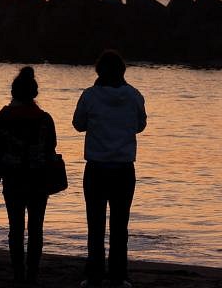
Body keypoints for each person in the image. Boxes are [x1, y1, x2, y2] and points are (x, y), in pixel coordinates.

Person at [72, 50, 147, 288]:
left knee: (95, 224)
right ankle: (118, 275)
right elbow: (140, 125)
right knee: (119, 225)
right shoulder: (134, 95)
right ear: (122, 71)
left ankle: (94, 274)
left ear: (98, 72)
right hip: (124, 168)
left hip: (96, 168)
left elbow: (78, 124)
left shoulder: (90, 96)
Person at [0, 66, 58, 284]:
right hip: (39, 179)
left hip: (13, 178)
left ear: (13, 93)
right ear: (34, 93)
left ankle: (18, 272)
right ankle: (32, 273)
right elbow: (51, 148)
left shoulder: (3, 117)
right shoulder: (45, 119)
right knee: (36, 228)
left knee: (16, 227)